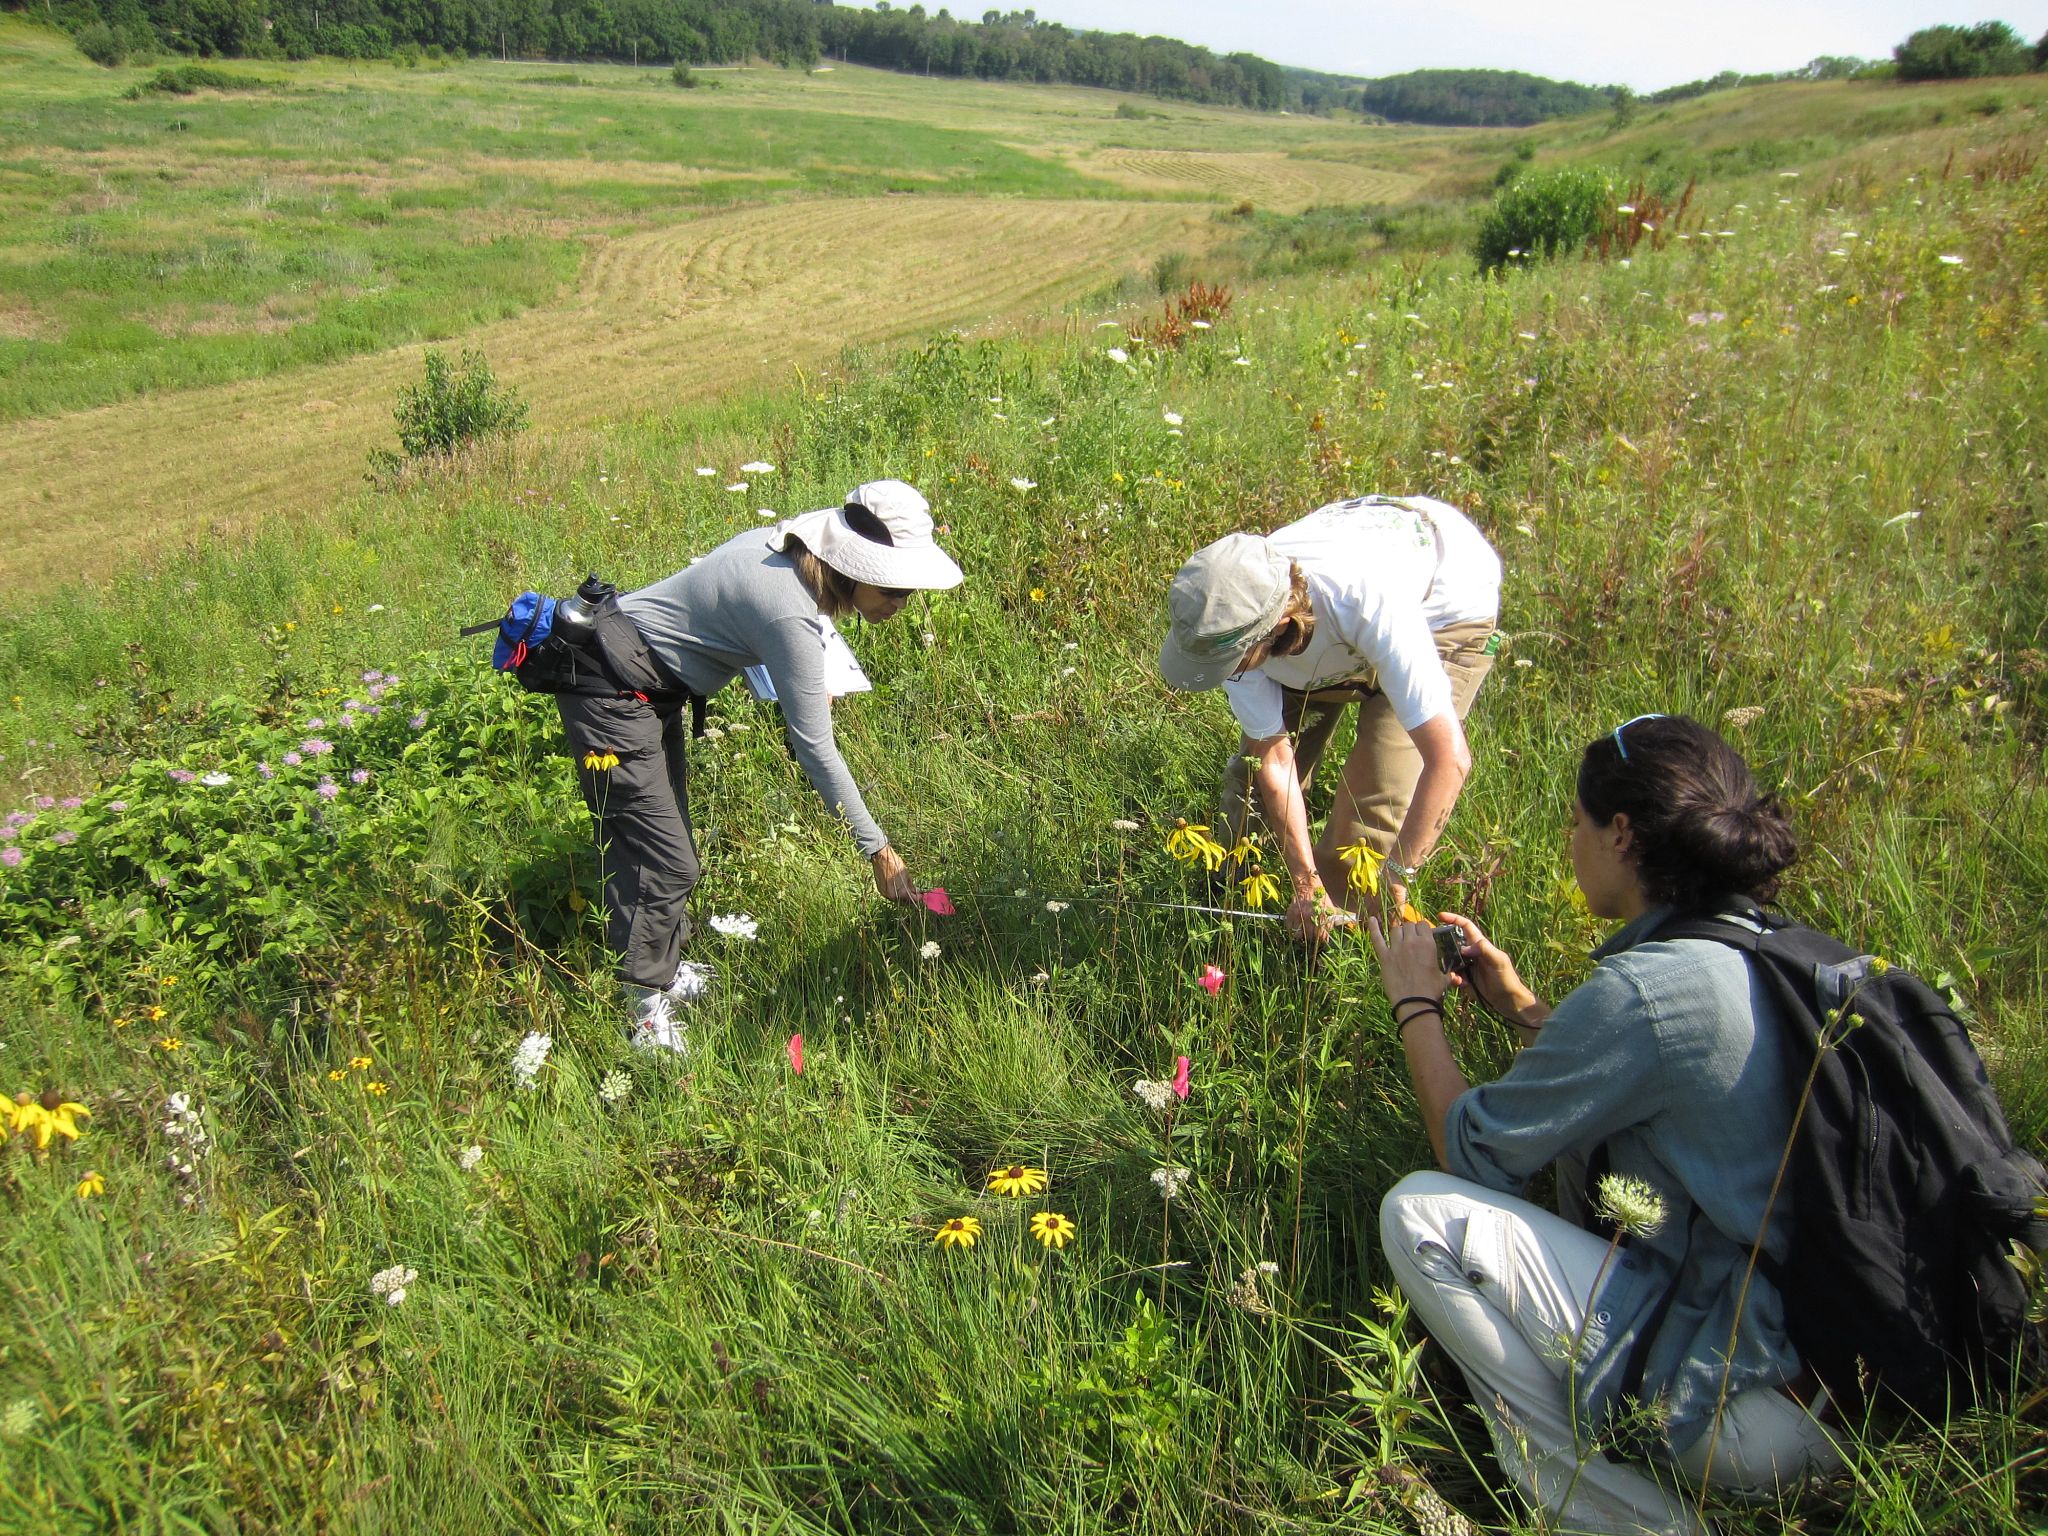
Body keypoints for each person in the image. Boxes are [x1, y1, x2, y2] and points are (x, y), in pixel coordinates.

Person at [1367, 714, 1845, 1535]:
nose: (1569, 834)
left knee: (1418, 1214)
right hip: (1836, 1383)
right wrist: (1518, 1005)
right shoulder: (1765, 948)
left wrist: (1415, 1005)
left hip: (1746, 1411)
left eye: (1578, 819)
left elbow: (1470, 1156)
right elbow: (1661, 1073)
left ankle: (1609, 1515)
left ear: (1621, 833)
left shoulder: (1644, 992)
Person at [556, 480, 962, 1053]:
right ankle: (643, 1008)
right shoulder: (786, 607)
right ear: (852, 565)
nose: (902, 600)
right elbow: (814, 746)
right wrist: (879, 849)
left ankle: (665, 973)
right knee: (665, 861)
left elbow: (728, 622)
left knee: (666, 842)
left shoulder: (784, 555)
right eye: (894, 585)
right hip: (611, 695)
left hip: (641, 687)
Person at [1157, 494, 1500, 942]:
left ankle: (1331, 952)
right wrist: (1305, 882)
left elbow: (1448, 761)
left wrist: (1397, 878)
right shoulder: (1230, 618)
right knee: (1250, 794)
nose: (1228, 676)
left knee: (1373, 810)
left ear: (1278, 626)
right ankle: (1228, 913)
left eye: (1236, 663)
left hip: (1443, 609)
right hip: (1326, 624)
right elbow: (1275, 762)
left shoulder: (1366, 602)